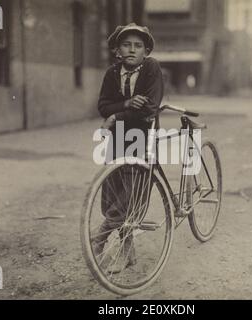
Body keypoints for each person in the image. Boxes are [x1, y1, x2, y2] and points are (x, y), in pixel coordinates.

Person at [92, 23, 164, 273]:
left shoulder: (152, 68)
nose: (132, 50)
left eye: (138, 46)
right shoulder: (112, 73)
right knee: (114, 190)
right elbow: (103, 106)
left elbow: (149, 110)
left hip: (142, 139)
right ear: (117, 50)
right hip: (117, 139)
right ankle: (128, 251)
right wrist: (127, 103)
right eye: (126, 45)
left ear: (146, 51)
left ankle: (100, 237)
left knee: (131, 196)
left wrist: (115, 117)